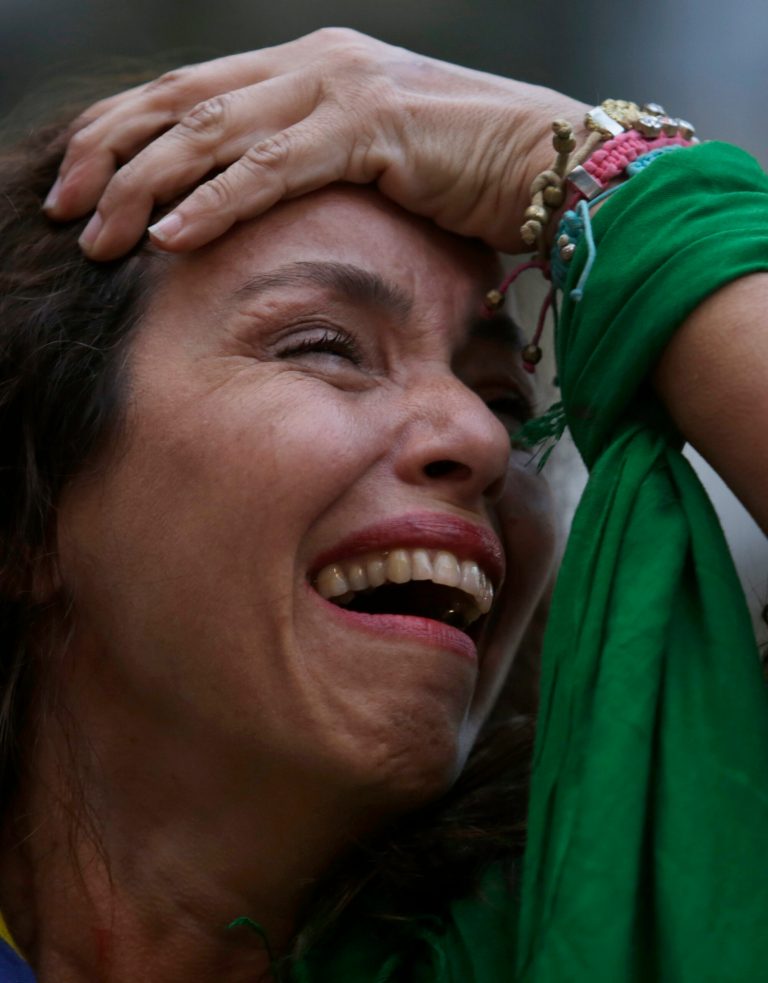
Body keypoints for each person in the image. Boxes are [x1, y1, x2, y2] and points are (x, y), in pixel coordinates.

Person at [1, 27, 767, 982]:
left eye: (505, 403)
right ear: (27, 515)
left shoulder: (640, 903)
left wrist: (576, 161)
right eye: (324, 345)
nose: (484, 442)